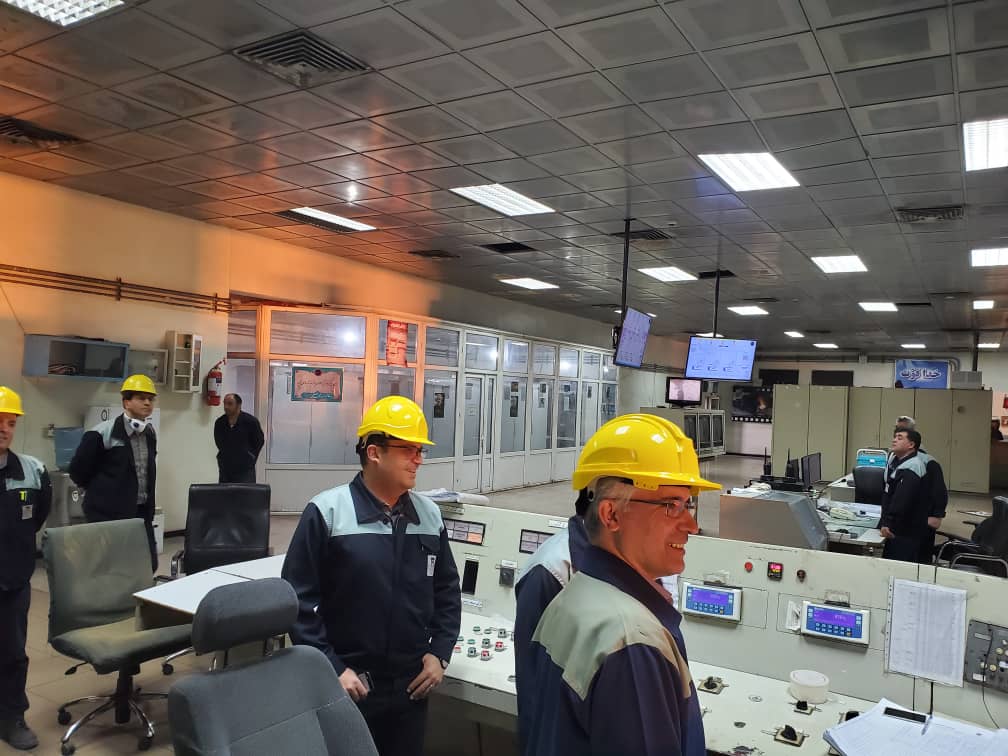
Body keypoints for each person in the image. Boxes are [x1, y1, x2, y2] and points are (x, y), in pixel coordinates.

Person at [519, 414, 720, 756]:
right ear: (611, 514)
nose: (691, 525)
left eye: (688, 505)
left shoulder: (576, 596)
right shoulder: (631, 643)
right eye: (671, 506)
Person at [281, 396, 461, 756]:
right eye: (408, 449)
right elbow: (297, 601)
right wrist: (332, 668)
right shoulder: (327, 512)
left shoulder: (429, 516)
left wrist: (439, 653)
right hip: (349, 684)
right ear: (374, 452)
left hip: (411, 686)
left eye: (420, 451)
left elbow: (446, 592)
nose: (419, 459)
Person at [0, 386, 51, 751]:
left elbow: (38, 515)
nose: (4, 429)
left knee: (13, 652)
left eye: (11, 422)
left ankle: (12, 716)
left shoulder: (33, 471)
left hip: (13, 580)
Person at [69, 374, 159, 572]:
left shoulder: (149, 434)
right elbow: (77, 471)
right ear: (126, 402)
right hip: (108, 515)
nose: (147, 403)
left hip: (140, 512)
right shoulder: (101, 434)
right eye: (141, 398)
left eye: (150, 399)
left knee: (147, 565)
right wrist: (102, 494)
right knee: (110, 569)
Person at [890, 417, 948, 563]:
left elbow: (939, 491)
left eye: (902, 431)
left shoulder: (927, 461)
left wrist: (937, 515)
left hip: (920, 520)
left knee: (919, 558)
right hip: (900, 520)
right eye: (896, 430)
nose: (897, 434)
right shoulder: (893, 458)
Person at [880, 429, 929, 562]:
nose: (894, 440)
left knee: (898, 565)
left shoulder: (913, 466)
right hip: (896, 528)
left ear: (911, 445)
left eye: (900, 438)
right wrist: (884, 521)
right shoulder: (897, 463)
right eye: (895, 436)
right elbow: (888, 493)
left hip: (906, 531)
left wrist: (888, 523)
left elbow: (901, 501)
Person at [213, 393, 264, 483]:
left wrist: (250, 456)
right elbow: (219, 442)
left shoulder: (251, 421)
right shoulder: (220, 422)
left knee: (244, 491)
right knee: (225, 491)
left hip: (245, 468)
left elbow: (259, 441)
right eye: (225, 403)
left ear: (239, 405)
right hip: (225, 467)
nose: (226, 407)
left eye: (230, 404)